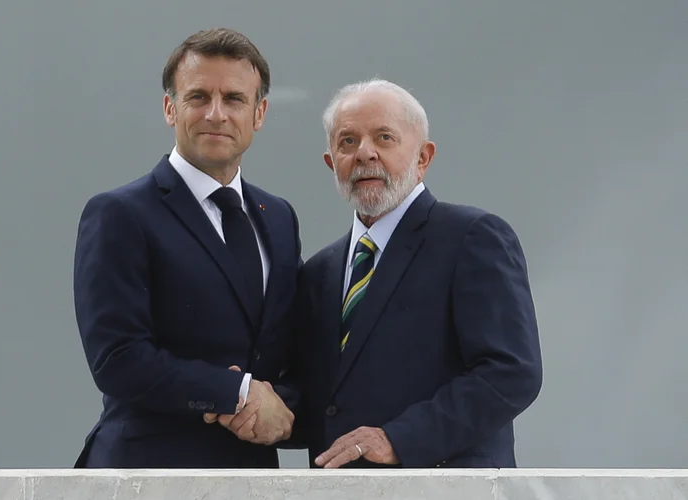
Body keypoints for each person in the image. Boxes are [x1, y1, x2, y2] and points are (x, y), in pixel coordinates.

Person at [72, 28, 301, 468]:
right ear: (169, 108)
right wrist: (235, 394)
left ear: (259, 113)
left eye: (234, 99)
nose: (216, 114)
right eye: (198, 97)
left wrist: (281, 407)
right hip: (144, 474)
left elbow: (287, 349)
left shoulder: (278, 218)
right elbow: (118, 359)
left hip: (252, 475)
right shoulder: (119, 214)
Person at [291, 78, 543, 468]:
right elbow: (325, 403)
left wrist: (399, 440)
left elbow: (511, 373)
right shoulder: (320, 271)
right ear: (331, 163)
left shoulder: (471, 238)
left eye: (384, 138)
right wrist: (244, 399)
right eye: (347, 142)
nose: (364, 154)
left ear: (423, 158)